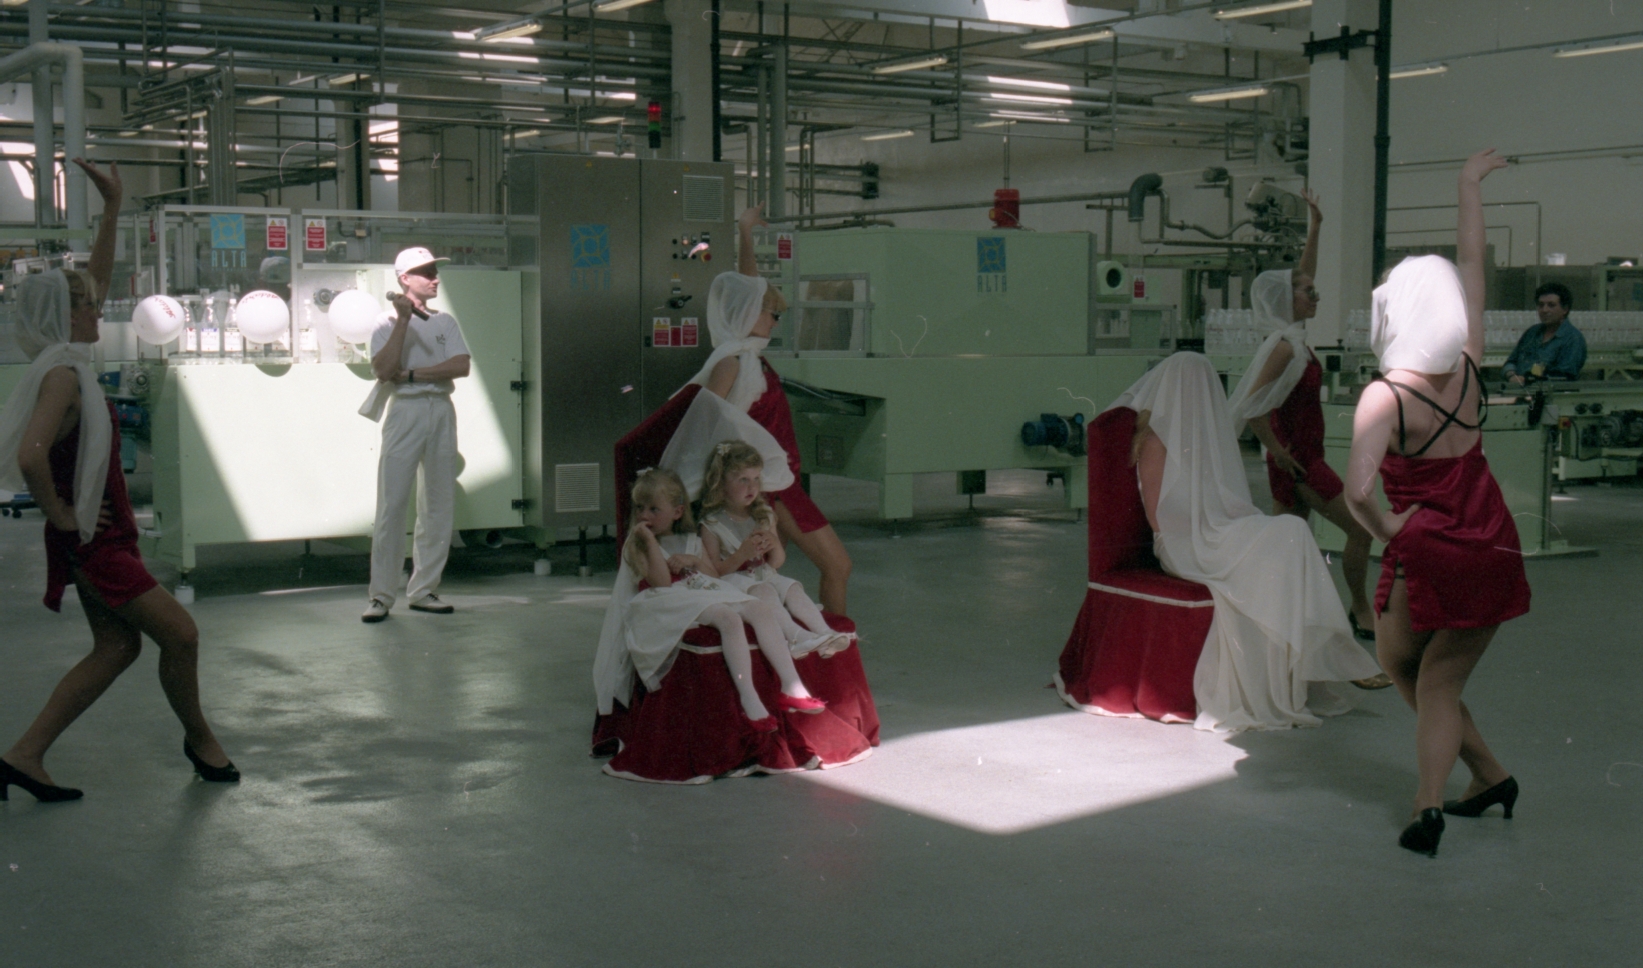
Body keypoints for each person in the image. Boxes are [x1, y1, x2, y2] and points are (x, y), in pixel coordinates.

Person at [0, 159, 237, 801]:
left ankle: (25, 755)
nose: (96, 308)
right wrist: (64, 515)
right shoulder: (61, 376)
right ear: (65, 315)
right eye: (85, 305)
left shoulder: (65, 359)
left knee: (116, 648)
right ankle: (201, 740)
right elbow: (31, 455)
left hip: (98, 533)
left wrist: (111, 210)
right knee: (181, 635)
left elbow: (97, 277)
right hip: (95, 539)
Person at [1345, 149, 1531, 859]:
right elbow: (1473, 266)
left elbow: (1357, 489)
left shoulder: (1385, 396)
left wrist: (1391, 529)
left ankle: (1427, 806)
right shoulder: (1470, 363)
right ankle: (1490, 776)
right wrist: (1467, 186)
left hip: (1426, 544)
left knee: (1426, 681)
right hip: (1490, 537)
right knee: (1417, 670)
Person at [1118, 352, 1384, 733]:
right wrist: (1214, 524)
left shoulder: (1198, 437)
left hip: (1213, 532)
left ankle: (1320, 661)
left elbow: (1220, 497)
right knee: (1281, 538)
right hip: (1182, 543)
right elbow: (1159, 519)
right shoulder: (1156, 439)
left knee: (1292, 532)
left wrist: (1225, 519)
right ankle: (1330, 659)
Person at [1227, 193, 1386, 655]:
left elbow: (1302, 275)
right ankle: (1360, 609)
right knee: (1360, 530)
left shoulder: (1294, 339)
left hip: (1297, 458)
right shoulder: (1284, 347)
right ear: (1287, 301)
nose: (1315, 296)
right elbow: (1252, 408)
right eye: (1307, 293)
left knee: (1288, 545)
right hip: (1300, 462)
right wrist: (1278, 452)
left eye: (1314, 291)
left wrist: (1315, 228)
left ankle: (1271, 615)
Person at [683, 206, 853, 616]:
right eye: (771, 314)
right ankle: (835, 643)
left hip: (775, 482)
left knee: (770, 576)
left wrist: (745, 233)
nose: (775, 322)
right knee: (837, 566)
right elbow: (699, 427)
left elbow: (748, 290)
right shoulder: (733, 362)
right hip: (773, 489)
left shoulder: (744, 356)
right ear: (746, 313)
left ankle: (807, 640)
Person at [592, 469, 825, 732]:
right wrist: (647, 539)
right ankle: (749, 698)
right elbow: (662, 581)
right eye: (640, 508)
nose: (645, 515)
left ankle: (791, 685)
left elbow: (713, 575)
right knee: (728, 617)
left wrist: (693, 560)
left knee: (759, 608)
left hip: (700, 589)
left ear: (677, 512)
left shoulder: (691, 540)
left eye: (654, 509)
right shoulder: (639, 544)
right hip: (666, 600)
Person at [360, 247, 470, 623]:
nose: (435, 278)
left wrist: (410, 374)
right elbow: (383, 369)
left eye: (435, 271)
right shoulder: (385, 322)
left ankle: (423, 590)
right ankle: (381, 596)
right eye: (426, 272)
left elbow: (461, 365)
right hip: (405, 411)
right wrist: (404, 320)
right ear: (404, 279)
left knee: (438, 505)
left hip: (440, 409)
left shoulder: (445, 322)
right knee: (392, 504)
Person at [697, 440, 850, 656]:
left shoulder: (763, 515)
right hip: (734, 582)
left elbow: (775, 563)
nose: (752, 487)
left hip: (764, 575)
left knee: (792, 587)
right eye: (743, 480)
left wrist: (775, 544)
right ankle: (796, 636)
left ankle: (825, 634)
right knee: (766, 590)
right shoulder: (711, 524)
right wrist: (741, 555)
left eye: (756, 479)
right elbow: (715, 572)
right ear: (721, 483)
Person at [1501, 281, 1586, 384]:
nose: (1544, 310)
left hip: (1550, 392)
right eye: (1541, 305)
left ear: (1565, 309)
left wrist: (1528, 378)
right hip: (1519, 389)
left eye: (1551, 305)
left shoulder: (1573, 339)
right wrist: (1511, 376)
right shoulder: (1532, 333)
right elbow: (1511, 362)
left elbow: (1563, 376)